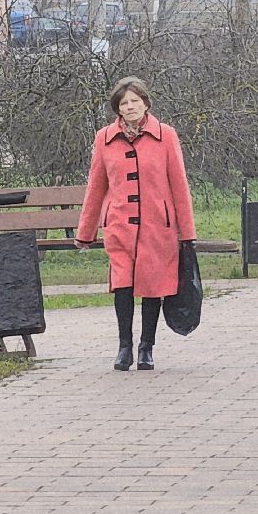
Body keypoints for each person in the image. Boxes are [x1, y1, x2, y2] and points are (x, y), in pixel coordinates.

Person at [75, 77, 196, 372]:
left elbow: (179, 184)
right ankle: (124, 347)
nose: (129, 107)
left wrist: (187, 232)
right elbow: (96, 188)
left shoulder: (165, 136)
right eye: (123, 103)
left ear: (146, 103)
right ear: (117, 108)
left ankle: (146, 347)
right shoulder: (104, 139)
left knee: (153, 286)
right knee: (123, 285)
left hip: (158, 226)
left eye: (134, 101)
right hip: (119, 227)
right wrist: (86, 231)